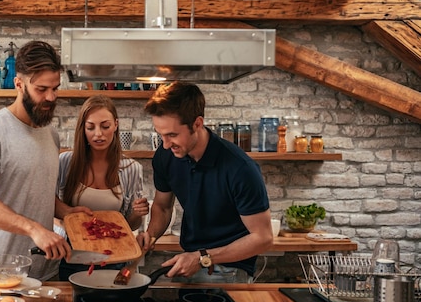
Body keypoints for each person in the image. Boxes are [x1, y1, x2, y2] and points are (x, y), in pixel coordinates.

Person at [138, 82, 273, 283]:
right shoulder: (166, 155)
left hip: (230, 269)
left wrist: (203, 258)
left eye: (172, 135)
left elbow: (263, 238)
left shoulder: (240, 168)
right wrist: (151, 235)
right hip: (188, 262)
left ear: (197, 123)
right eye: (161, 135)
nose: (165, 144)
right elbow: (162, 206)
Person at [0, 40, 72, 282]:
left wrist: (67, 211)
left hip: (45, 269)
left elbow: (35, 189)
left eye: (55, 88)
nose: (51, 97)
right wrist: (34, 229)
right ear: (19, 84)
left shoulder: (51, 134)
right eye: (42, 89)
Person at [56, 95, 149, 280]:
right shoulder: (66, 162)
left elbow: (131, 226)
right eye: (91, 127)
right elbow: (50, 207)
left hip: (116, 257)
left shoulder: (131, 168)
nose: (98, 134)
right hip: (74, 256)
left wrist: (138, 214)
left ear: (115, 124)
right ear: (83, 129)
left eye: (105, 126)